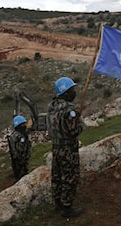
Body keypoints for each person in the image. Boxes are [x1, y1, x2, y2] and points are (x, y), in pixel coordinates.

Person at [47, 77, 84, 218]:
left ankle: (57, 202)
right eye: (72, 90)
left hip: (55, 147)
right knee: (70, 177)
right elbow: (74, 131)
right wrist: (79, 122)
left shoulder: (51, 107)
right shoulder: (69, 110)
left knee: (57, 176)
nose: (74, 92)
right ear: (66, 92)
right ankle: (67, 208)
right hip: (68, 149)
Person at [7, 115, 32, 182]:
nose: (25, 126)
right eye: (23, 124)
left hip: (20, 161)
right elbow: (20, 149)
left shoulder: (18, 135)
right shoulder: (18, 136)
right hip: (20, 162)